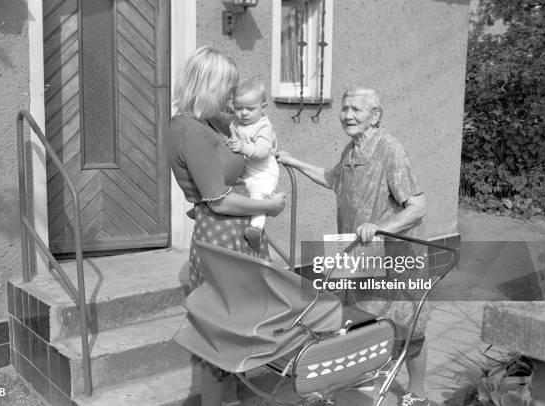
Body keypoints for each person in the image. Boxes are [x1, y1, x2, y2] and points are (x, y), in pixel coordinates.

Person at [277, 87, 431, 406]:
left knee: (409, 327)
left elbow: (417, 206)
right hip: (360, 254)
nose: (347, 115)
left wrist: (379, 227)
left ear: (375, 116)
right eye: (345, 108)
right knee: (365, 320)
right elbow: (330, 178)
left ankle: (417, 393)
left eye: (357, 109)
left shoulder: (390, 149)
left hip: (397, 255)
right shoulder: (351, 151)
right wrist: (293, 161)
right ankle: (368, 383)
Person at [169, 46, 286, 406]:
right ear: (208, 85)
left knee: (240, 327)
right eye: (228, 89)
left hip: (234, 233)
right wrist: (269, 205)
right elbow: (218, 199)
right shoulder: (189, 129)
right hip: (222, 235)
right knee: (221, 330)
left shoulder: (209, 122)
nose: (232, 99)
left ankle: (233, 399)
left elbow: (255, 137)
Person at [227, 79, 279, 250]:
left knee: (259, 197)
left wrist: (242, 147)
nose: (244, 113)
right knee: (233, 190)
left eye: (250, 109)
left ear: (263, 107)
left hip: (264, 172)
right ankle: (205, 208)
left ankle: (256, 229)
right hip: (246, 171)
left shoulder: (263, 126)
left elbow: (262, 152)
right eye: (239, 108)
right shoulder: (235, 123)